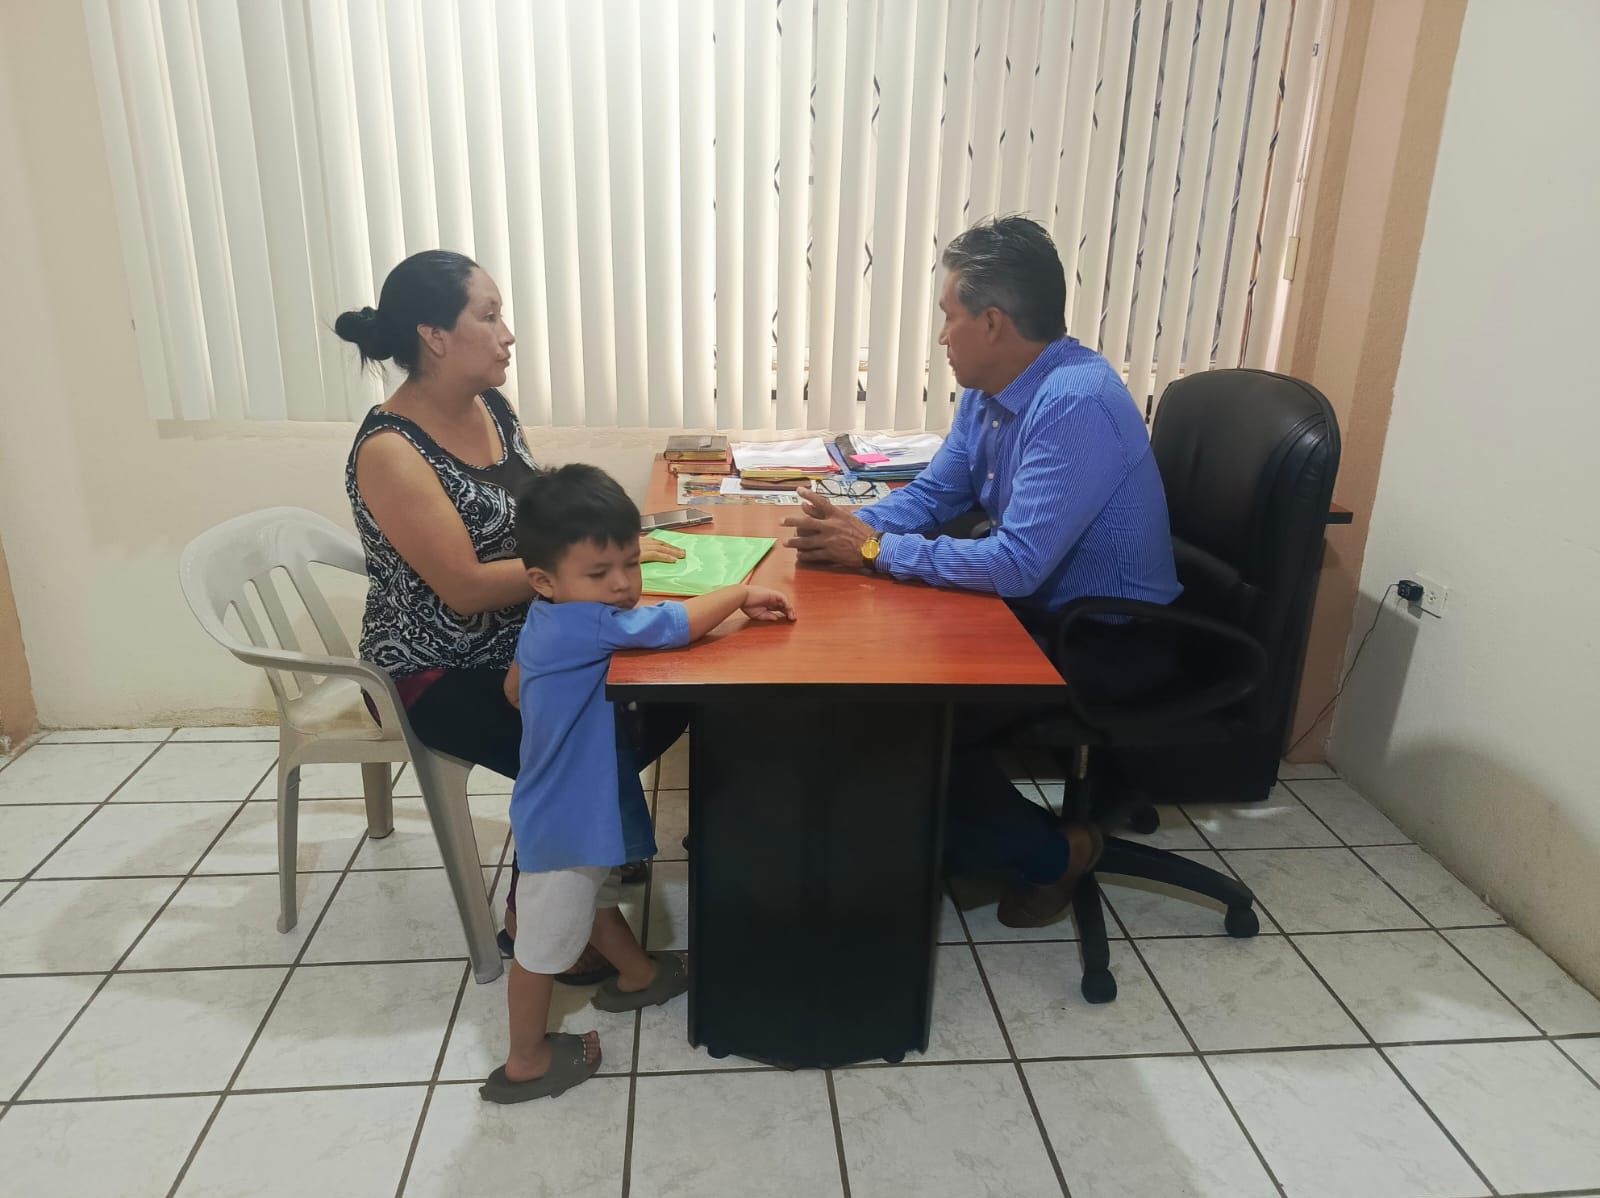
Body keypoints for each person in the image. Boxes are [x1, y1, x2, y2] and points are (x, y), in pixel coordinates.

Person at [782, 215, 1182, 928]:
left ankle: (1054, 855)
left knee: (897, 724)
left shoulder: (1075, 401)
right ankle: (962, 836)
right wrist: (848, 527)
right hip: (1036, 615)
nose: (942, 336)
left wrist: (871, 552)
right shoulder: (990, 392)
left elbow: (1018, 564)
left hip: (1108, 637)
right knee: (868, 692)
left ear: (992, 322)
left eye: (950, 316)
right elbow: (938, 494)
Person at [334, 250, 687, 982]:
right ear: (434, 336)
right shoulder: (391, 450)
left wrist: (608, 557)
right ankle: (543, 914)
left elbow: (541, 524)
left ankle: (592, 858)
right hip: (436, 670)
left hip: (525, 639)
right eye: (489, 316)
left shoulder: (491, 407)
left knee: (669, 688)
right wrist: (596, 575)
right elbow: (464, 590)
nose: (508, 334)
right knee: (608, 723)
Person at [480, 464, 796, 1102]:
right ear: (543, 579)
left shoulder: (548, 616)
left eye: (630, 563)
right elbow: (676, 626)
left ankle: (639, 975)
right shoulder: (589, 624)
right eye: (600, 574)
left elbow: (514, 688)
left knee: (594, 900)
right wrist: (737, 594)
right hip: (565, 823)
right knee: (541, 948)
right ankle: (526, 1060)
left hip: (567, 808)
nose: (624, 584)